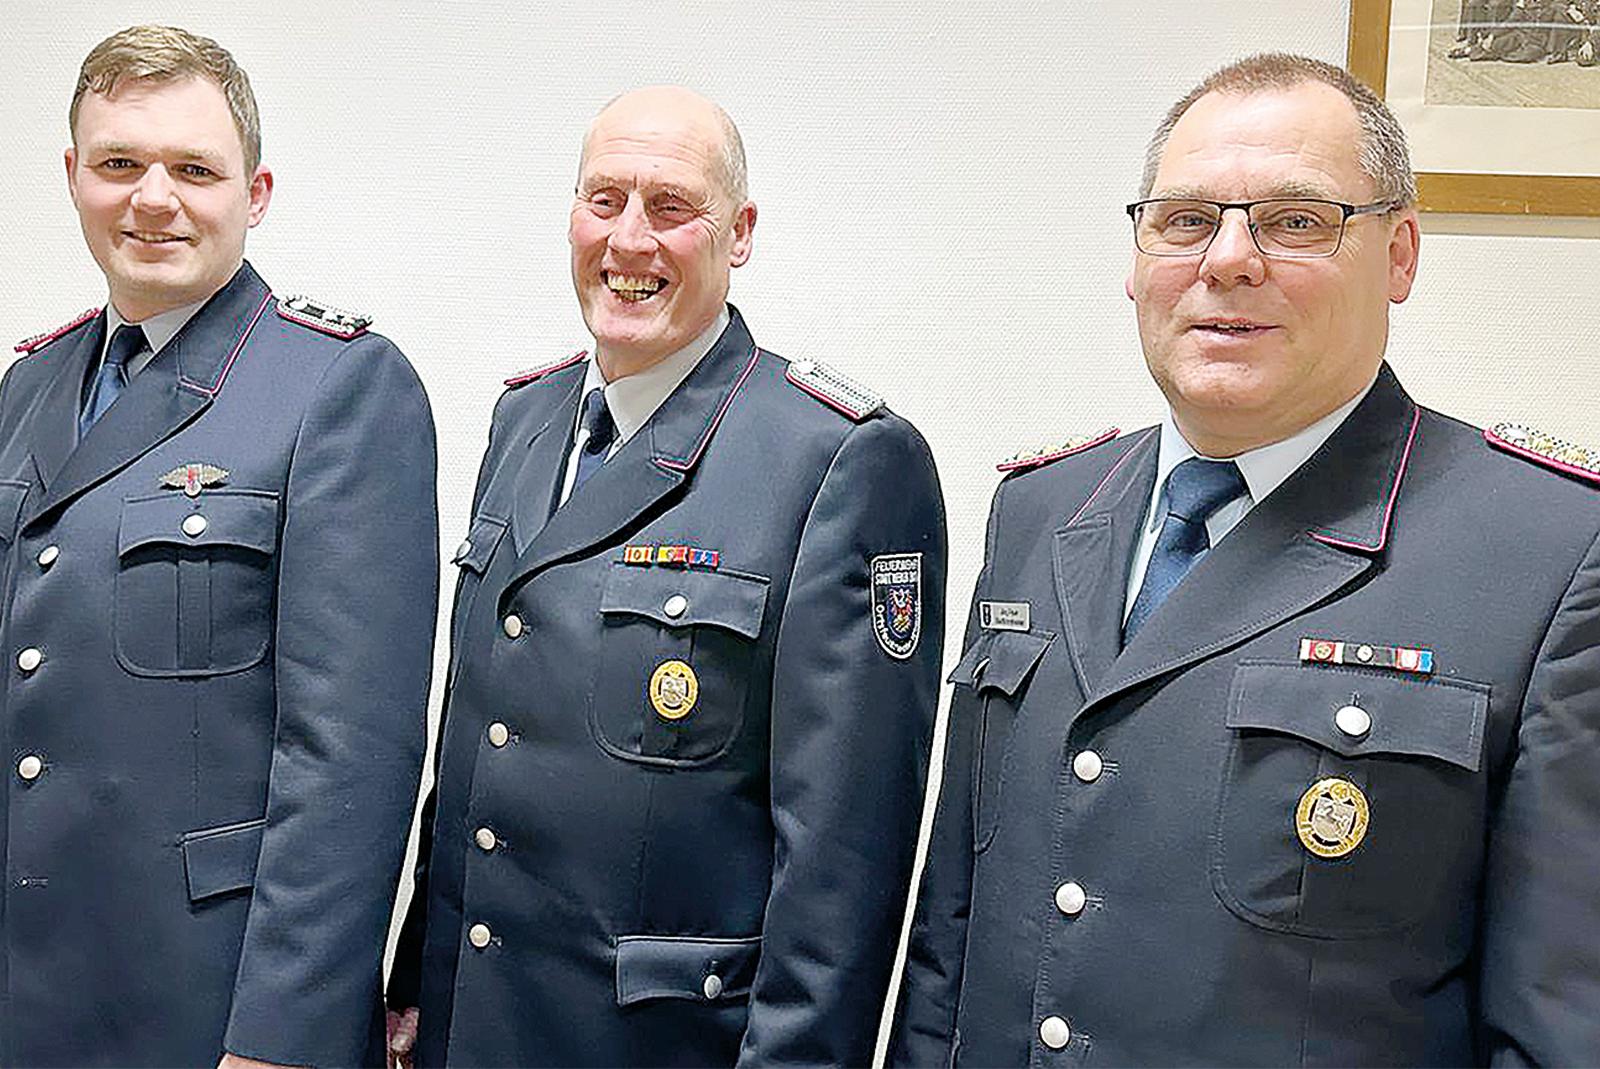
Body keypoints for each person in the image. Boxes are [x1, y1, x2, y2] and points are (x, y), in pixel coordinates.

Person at [892, 53, 1600, 1066]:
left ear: (1399, 254)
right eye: (1185, 220)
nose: (1226, 260)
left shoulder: (1549, 552)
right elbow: (950, 943)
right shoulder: (1040, 510)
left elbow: (1562, 1021)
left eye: (1295, 220)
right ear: (1135, 258)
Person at [386, 86, 946, 1067]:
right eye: (603, 200)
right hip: (470, 1029)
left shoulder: (836, 459)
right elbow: (476, 740)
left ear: (741, 232)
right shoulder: (525, 420)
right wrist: (416, 989)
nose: (629, 240)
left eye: (671, 206)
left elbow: (841, 867)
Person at [0, 25, 438, 1068]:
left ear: (257, 191)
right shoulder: (28, 387)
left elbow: (351, 761)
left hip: (209, 1007)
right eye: (119, 164)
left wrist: (283, 1037)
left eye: (194, 169)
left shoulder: (337, 389)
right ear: (73, 177)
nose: (153, 198)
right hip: (28, 988)